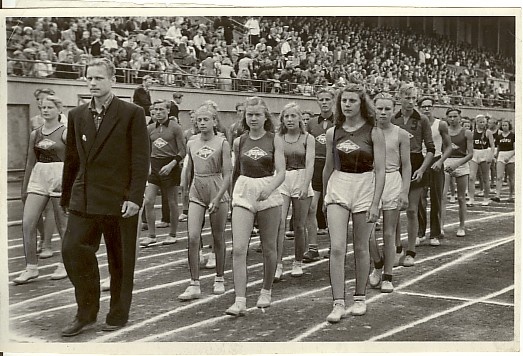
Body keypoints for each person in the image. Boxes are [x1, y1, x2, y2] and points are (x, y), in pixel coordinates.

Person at [60, 58, 149, 337]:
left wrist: (134, 197)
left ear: (112, 80)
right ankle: (86, 312)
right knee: (72, 249)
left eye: (98, 78)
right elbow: (72, 159)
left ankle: (118, 313)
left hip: (119, 199)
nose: (92, 83)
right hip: (84, 197)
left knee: (120, 260)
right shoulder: (76, 115)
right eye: (89, 78)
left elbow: (140, 157)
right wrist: (67, 197)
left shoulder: (131, 113)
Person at [323, 84, 385, 322]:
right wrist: (322, 195)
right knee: (337, 247)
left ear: (362, 104)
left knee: (361, 247)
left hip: (365, 185)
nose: (347, 105)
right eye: (344, 101)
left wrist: (375, 202)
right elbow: (329, 166)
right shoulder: (333, 132)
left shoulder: (373, 132)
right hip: (339, 184)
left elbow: (380, 170)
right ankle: (338, 302)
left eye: (352, 101)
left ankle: (360, 298)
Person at [226, 97, 285, 316]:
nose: (253, 118)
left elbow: (281, 172)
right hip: (244, 190)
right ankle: (239, 300)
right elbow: (235, 172)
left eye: (257, 115)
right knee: (239, 248)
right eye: (249, 115)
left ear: (265, 116)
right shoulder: (239, 141)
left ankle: (266, 290)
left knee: (269, 247)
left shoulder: (274, 139)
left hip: (267, 189)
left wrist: (269, 189)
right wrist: (232, 199)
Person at [178, 104, 232, 300]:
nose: (201, 123)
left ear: (215, 122)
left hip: (216, 187)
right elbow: (188, 168)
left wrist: (219, 197)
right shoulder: (191, 142)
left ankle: (219, 277)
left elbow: (228, 175)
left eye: (206, 120)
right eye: (199, 120)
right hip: (197, 189)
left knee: (218, 237)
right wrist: (184, 186)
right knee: (193, 237)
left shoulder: (222, 143)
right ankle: (194, 283)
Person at [14, 96, 69, 284]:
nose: (45, 110)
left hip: (59, 174)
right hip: (39, 175)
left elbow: (73, 160)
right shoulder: (35, 133)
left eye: (50, 107)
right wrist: (25, 187)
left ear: (58, 109)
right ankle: (31, 267)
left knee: (63, 225)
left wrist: (68, 183)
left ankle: (65, 264)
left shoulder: (65, 132)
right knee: (28, 222)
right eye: (43, 107)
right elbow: (30, 161)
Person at [368, 93, 410, 293]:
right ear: (373, 109)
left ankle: (388, 275)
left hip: (392, 180)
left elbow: (407, 165)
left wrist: (404, 191)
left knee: (388, 232)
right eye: (380, 108)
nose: (383, 112)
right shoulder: (367, 131)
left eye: (387, 109)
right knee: (366, 232)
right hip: (369, 181)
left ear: (394, 111)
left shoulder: (401, 134)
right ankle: (377, 263)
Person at [391, 84, 435, 267]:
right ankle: (396, 248)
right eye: (407, 97)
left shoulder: (422, 119)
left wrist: (422, 169)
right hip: (397, 164)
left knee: (411, 210)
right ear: (399, 97)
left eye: (413, 98)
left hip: (416, 162)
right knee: (393, 211)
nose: (410, 102)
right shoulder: (393, 119)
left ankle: (411, 251)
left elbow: (431, 149)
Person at [274, 103, 315, 281]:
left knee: (299, 225)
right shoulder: (278, 137)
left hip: (301, 177)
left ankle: (297, 262)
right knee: (279, 223)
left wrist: (306, 186)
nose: (290, 120)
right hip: (283, 178)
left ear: (300, 118)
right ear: (282, 119)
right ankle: (278, 263)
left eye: (293, 116)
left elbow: (311, 162)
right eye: (286, 117)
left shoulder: (308, 138)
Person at [140, 99, 185, 247]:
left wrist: (172, 165)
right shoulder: (150, 128)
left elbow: (182, 151)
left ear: (168, 111)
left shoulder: (175, 128)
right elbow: (146, 150)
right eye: (156, 110)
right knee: (148, 201)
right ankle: (151, 235)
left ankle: (172, 234)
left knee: (172, 202)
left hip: (170, 166)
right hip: (155, 167)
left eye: (161, 110)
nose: (158, 113)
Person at [303, 87, 335, 263]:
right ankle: (313, 247)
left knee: (332, 207)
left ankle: (334, 246)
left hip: (333, 166)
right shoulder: (311, 123)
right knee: (311, 207)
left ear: (333, 101)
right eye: (321, 99)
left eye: (327, 99)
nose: (324, 102)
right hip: (315, 166)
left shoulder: (340, 121)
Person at [416, 96, 452, 246]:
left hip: (436, 161)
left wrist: (440, 161)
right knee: (419, 199)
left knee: (436, 198)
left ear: (433, 107)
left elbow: (449, 147)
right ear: (419, 108)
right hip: (420, 161)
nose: (426, 109)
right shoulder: (417, 123)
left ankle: (435, 234)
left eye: (429, 106)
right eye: (423, 106)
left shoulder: (440, 124)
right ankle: (420, 232)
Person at [441, 108, 473, 238]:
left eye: (455, 116)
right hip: (446, 161)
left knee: (461, 197)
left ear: (460, 117)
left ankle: (461, 226)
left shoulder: (467, 132)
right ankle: (440, 226)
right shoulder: (443, 131)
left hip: (461, 163)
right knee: (442, 196)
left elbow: (470, 154)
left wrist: (457, 164)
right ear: (447, 118)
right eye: (450, 116)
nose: (453, 119)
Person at [468, 114, 495, 207]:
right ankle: (471, 198)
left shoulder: (488, 132)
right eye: (480, 122)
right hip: (475, 154)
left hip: (484, 153)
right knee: (471, 177)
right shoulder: (472, 132)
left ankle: (486, 198)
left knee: (485, 178)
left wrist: (490, 156)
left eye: (483, 122)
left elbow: (492, 145)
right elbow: (470, 145)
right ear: (476, 122)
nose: (482, 124)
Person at [492, 120, 515, 203]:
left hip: (510, 155)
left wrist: (509, 157)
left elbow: (515, 149)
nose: (504, 127)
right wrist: (496, 155)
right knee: (499, 176)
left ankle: (511, 195)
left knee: (511, 177)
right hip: (501, 155)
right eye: (503, 125)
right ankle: (497, 195)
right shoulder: (499, 136)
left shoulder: (513, 136)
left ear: (509, 126)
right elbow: (498, 147)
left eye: (506, 125)